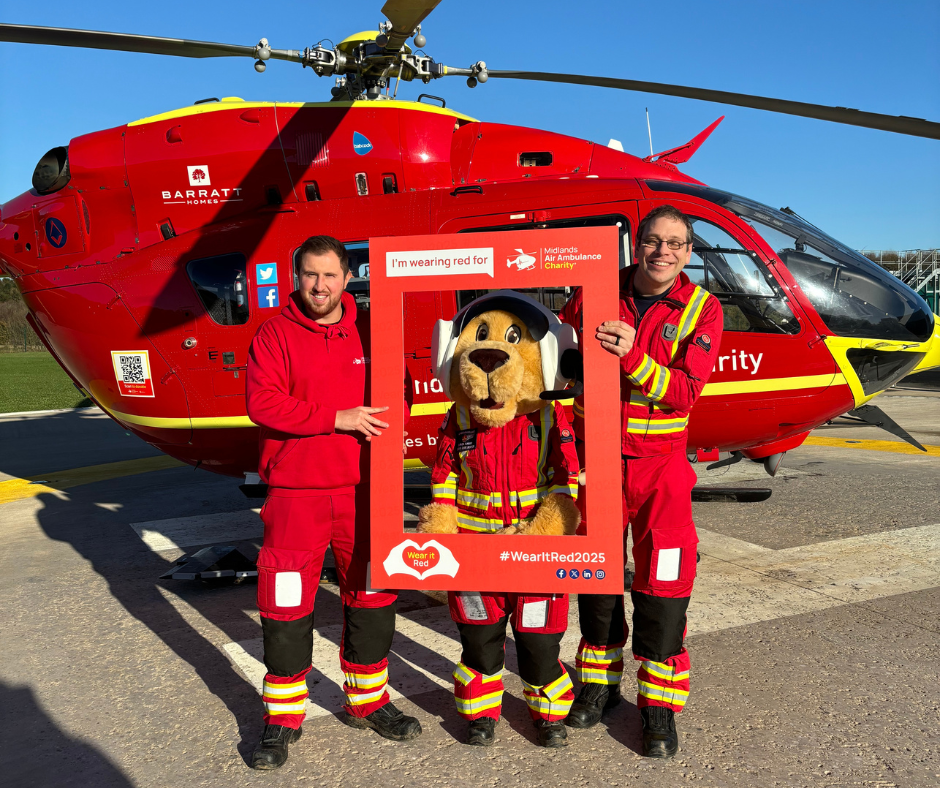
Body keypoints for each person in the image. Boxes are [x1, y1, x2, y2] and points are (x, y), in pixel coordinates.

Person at [245, 235, 420, 770]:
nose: (319, 286)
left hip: (365, 490)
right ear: (296, 277)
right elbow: (262, 402)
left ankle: (368, 701)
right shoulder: (274, 334)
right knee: (285, 601)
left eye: (329, 275)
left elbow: (403, 389)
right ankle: (282, 717)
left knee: (372, 596)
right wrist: (337, 417)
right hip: (296, 493)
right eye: (309, 275)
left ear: (349, 278)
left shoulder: (373, 329)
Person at [560, 205, 723, 758]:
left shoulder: (704, 309)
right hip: (598, 463)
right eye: (653, 241)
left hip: (662, 469)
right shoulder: (594, 291)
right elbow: (562, 367)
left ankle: (658, 706)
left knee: (664, 585)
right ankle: (599, 686)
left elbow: (682, 393)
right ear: (637, 245)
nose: (663, 253)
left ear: (689, 251)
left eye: (675, 244)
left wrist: (632, 356)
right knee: (597, 582)